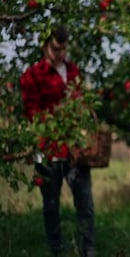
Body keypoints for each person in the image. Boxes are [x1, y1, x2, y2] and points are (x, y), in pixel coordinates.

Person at [20, 25, 96, 257]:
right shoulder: (32, 76)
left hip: (75, 150)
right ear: (45, 46)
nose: (60, 53)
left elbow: (82, 104)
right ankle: (57, 251)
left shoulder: (73, 71)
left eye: (63, 49)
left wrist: (85, 116)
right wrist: (60, 116)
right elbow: (33, 114)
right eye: (56, 49)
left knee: (85, 203)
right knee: (51, 206)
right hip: (48, 150)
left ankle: (88, 250)